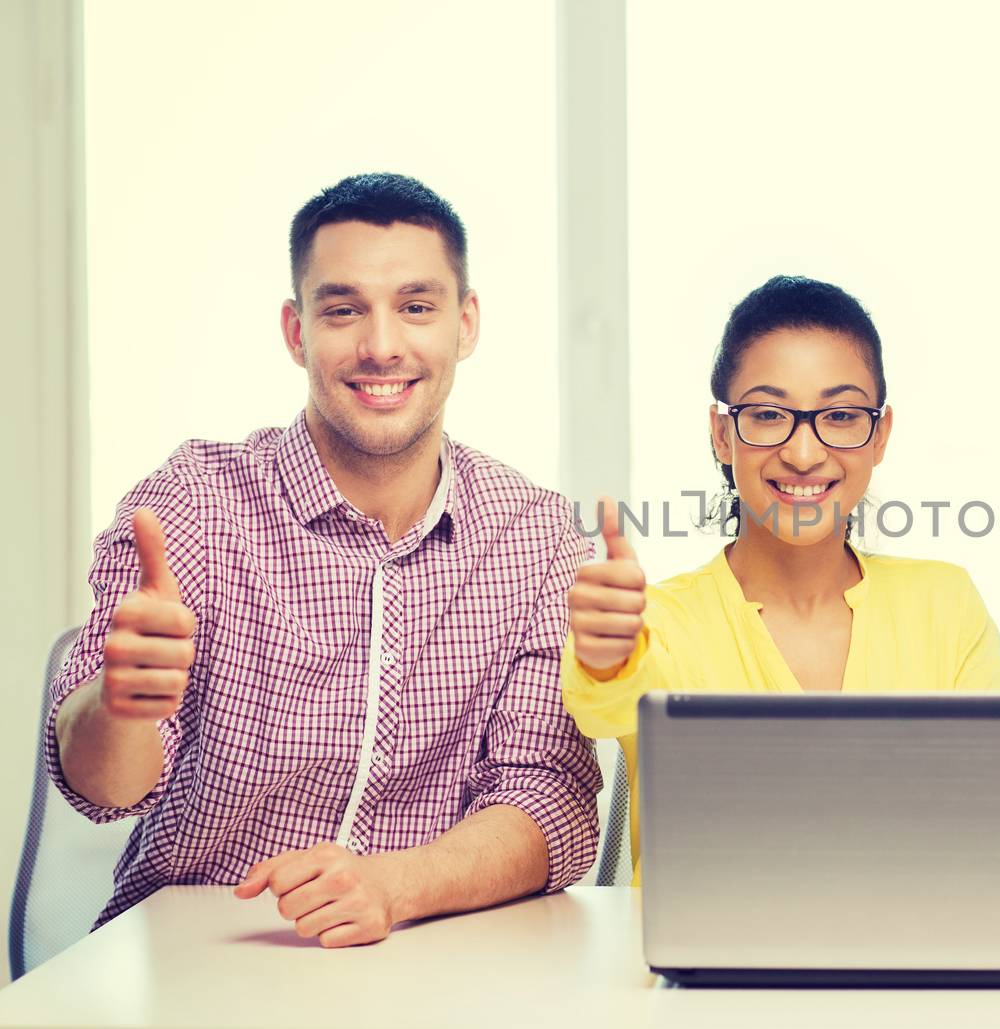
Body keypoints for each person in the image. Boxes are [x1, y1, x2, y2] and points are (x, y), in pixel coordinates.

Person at [48, 173, 600, 947]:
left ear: (465, 323)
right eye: (343, 309)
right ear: (296, 329)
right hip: (203, 962)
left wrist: (393, 885)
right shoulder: (194, 506)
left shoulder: (538, 537)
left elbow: (552, 803)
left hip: (437, 962)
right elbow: (99, 789)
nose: (381, 346)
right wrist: (119, 703)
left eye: (416, 306)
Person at [562, 275, 1000, 883]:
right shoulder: (660, 623)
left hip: (910, 963)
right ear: (722, 433)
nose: (804, 453)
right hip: (708, 969)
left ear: (879, 435)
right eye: (770, 414)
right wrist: (604, 654)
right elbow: (602, 703)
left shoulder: (946, 604)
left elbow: (993, 819)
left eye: (842, 415)